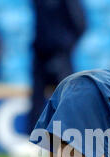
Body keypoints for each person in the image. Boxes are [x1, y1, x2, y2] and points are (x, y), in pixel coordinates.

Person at [28, 0, 86, 135]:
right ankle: (33, 138)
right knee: (36, 99)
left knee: (66, 98)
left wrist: (65, 46)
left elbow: (80, 23)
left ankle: (70, 136)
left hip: (61, 56)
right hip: (40, 54)